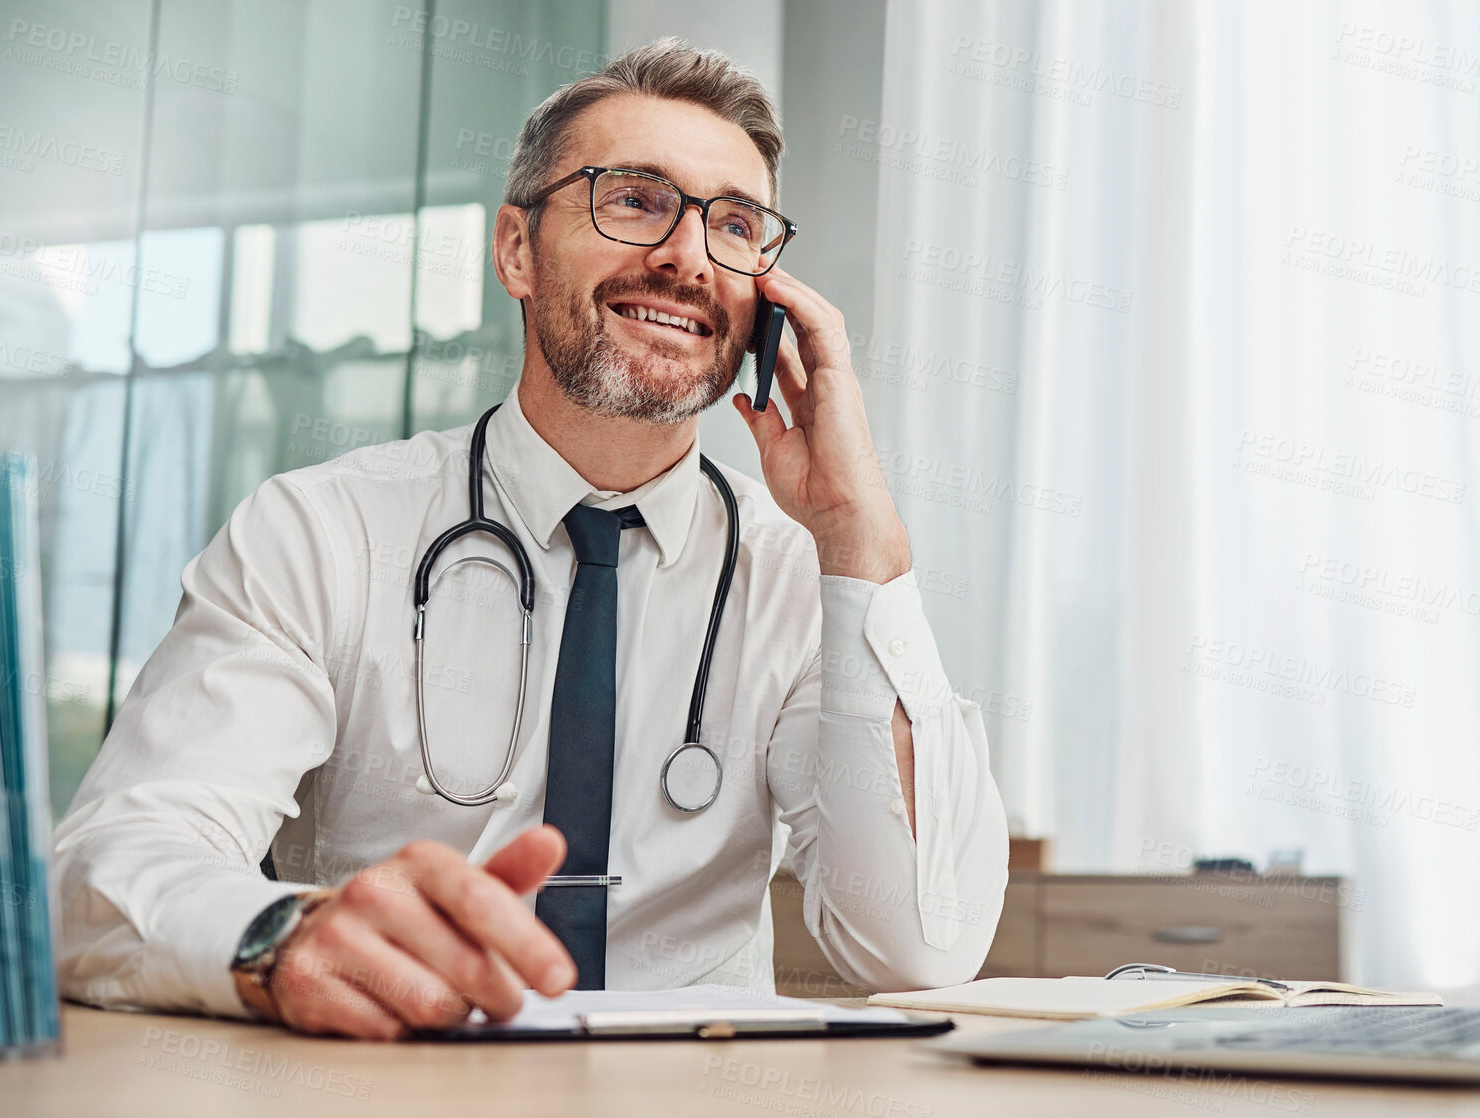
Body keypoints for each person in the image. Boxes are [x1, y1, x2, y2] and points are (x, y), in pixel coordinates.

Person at [51, 38, 1008, 1040]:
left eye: (734, 225)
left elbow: (917, 946)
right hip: (390, 1088)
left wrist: (863, 541)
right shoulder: (321, 532)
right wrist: (283, 938)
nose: (687, 257)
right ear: (517, 248)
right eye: (635, 199)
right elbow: (109, 869)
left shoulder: (795, 578)